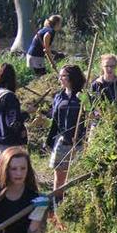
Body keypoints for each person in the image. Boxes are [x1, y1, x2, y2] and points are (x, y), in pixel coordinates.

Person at [45, 65, 87, 202]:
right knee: (59, 176)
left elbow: (92, 118)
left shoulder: (83, 96)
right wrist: (49, 141)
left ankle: (76, 204)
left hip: (79, 144)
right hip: (63, 142)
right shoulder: (59, 96)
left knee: (79, 176)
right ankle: (57, 205)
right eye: (60, 76)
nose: (60, 79)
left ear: (72, 78)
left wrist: (83, 135)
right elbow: (55, 121)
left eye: (64, 76)